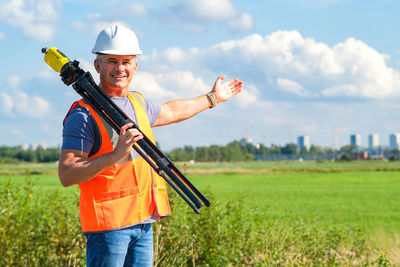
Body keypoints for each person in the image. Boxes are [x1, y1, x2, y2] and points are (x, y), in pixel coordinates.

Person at [58, 24, 243, 267]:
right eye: (112, 60)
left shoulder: (137, 102)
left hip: (143, 222)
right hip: (109, 228)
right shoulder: (83, 114)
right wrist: (115, 155)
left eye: (126, 61)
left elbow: (172, 110)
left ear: (135, 65)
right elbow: (67, 173)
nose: (120, 68)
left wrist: (212, 98)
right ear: (97, 65)